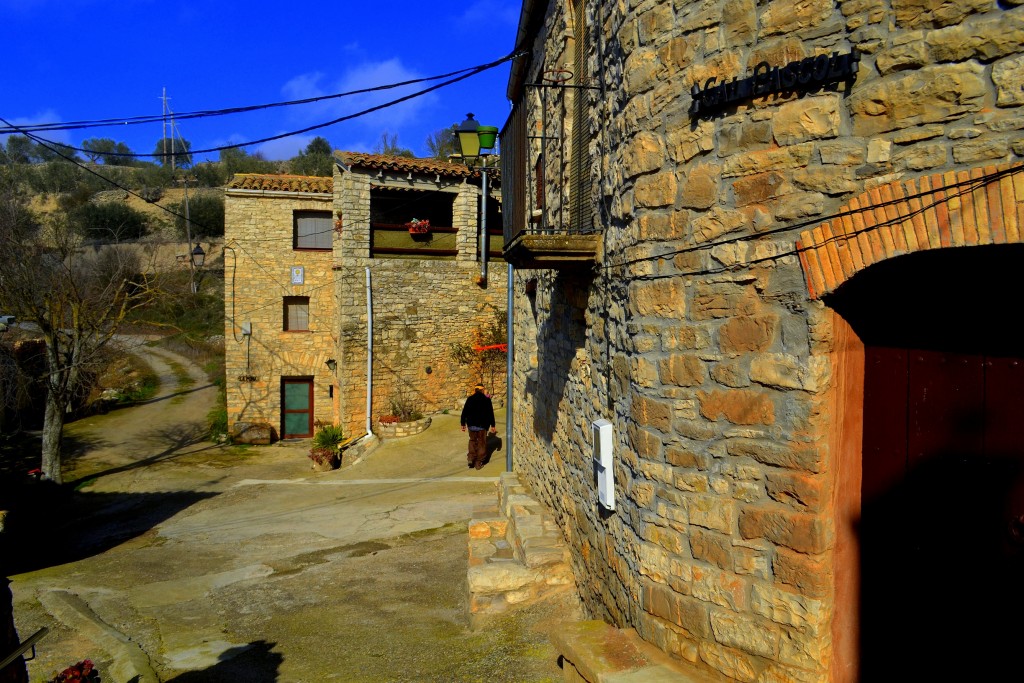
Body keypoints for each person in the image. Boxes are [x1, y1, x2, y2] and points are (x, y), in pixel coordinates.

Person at [460, 383, 496, 470]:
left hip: (471, 425)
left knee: (472, 441)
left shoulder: (470, 399)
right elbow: (490, 413)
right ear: (483, 390)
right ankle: (478, 462)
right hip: (482, 426)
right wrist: (493, 425)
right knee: (481, 443)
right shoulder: (486, 400)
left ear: (475, 390)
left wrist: (463, 424)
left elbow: (464, 412)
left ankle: (471, 458)